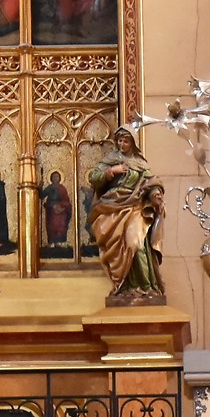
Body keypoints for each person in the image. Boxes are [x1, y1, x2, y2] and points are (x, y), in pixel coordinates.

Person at [87, 128, 165, 304]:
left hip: (135, 206)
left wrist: (155, 195)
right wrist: (111, 171)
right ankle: (125, 287)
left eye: (126, 141)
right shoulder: (111, 160)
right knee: (118, 247)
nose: (122, 144)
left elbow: (151, 183)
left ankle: (147, 287)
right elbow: (94, 177)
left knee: (135, 244)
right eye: (120, 141)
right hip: (112, 208)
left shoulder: (140, 163)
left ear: (133, 143)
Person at [42, 171, 73, 258]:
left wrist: (61, 206)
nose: (55, 178)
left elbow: (66, 200)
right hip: (51, 210)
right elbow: (41, 195)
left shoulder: (62, 188)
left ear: (59, 178)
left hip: (61, 211)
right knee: (52, 226)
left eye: (57, 177)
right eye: (54, 177)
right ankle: (52, 242)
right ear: (51, 179)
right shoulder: (50, 187)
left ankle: (59, 243)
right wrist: (39, 187)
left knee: (61, 226)